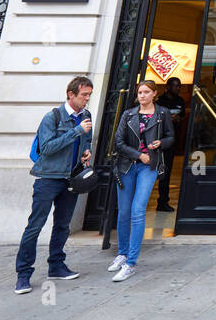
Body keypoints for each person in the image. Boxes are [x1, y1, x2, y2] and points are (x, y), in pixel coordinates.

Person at [14, 76, 94, 294]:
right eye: (84, 95)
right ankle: (23, 274)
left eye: (89, 95)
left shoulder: (86, 116)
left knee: (62, 225)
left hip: (71, 179)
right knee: (35, 226)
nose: (87, 99)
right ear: (71, 95)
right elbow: (47, 148)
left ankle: (56, 266)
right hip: (49, 178)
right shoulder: (53, 117)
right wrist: (77, 131)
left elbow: (86, 143)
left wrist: (86, 153)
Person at [110, 80, 175, 281]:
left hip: (150, 166)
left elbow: (171, 137)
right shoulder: (128, 114)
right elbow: (118, 142)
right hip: (127, 165)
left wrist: (161, 143)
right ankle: (122, 253)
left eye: (146, 92)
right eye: (140, 92)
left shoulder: (162, 114)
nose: (142, 96)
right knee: (124, 212)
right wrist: (139, 155)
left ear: (155, 94)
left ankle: (131, 262)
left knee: (138, 210)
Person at [154, 76, 185, 212]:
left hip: (171, 142)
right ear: (168, 87)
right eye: (175, 86)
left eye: (179, 86)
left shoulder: (180, 101)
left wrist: (177, 118)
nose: (177, 88)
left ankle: (163, 201)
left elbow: (183, 116)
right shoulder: (159, 102)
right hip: (157, 141)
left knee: (166, 173)